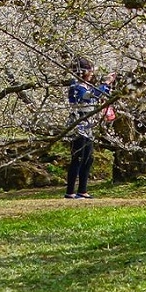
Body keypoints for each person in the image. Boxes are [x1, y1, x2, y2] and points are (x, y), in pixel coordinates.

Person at [64, 59, 112, 200]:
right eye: (90, 70)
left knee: (88, 158)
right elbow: (87, 97)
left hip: (88, 125)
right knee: (77, 157)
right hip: (78, 125)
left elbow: (95, 96)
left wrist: (106, 87)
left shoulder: (86, 85)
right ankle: (70, 191)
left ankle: (82, 190)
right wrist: (105, 84)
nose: (92, 73)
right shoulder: (76, 87)